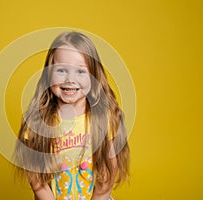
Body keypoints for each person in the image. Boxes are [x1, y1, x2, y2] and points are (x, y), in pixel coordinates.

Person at [14, 31, 130, 200]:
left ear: (94, 77)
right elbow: (36, 180)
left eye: (80, 72)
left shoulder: (104, 118)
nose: (70, 79)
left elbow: (107, 174)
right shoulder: (37, 122)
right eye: (61, 70)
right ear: (48, 74)